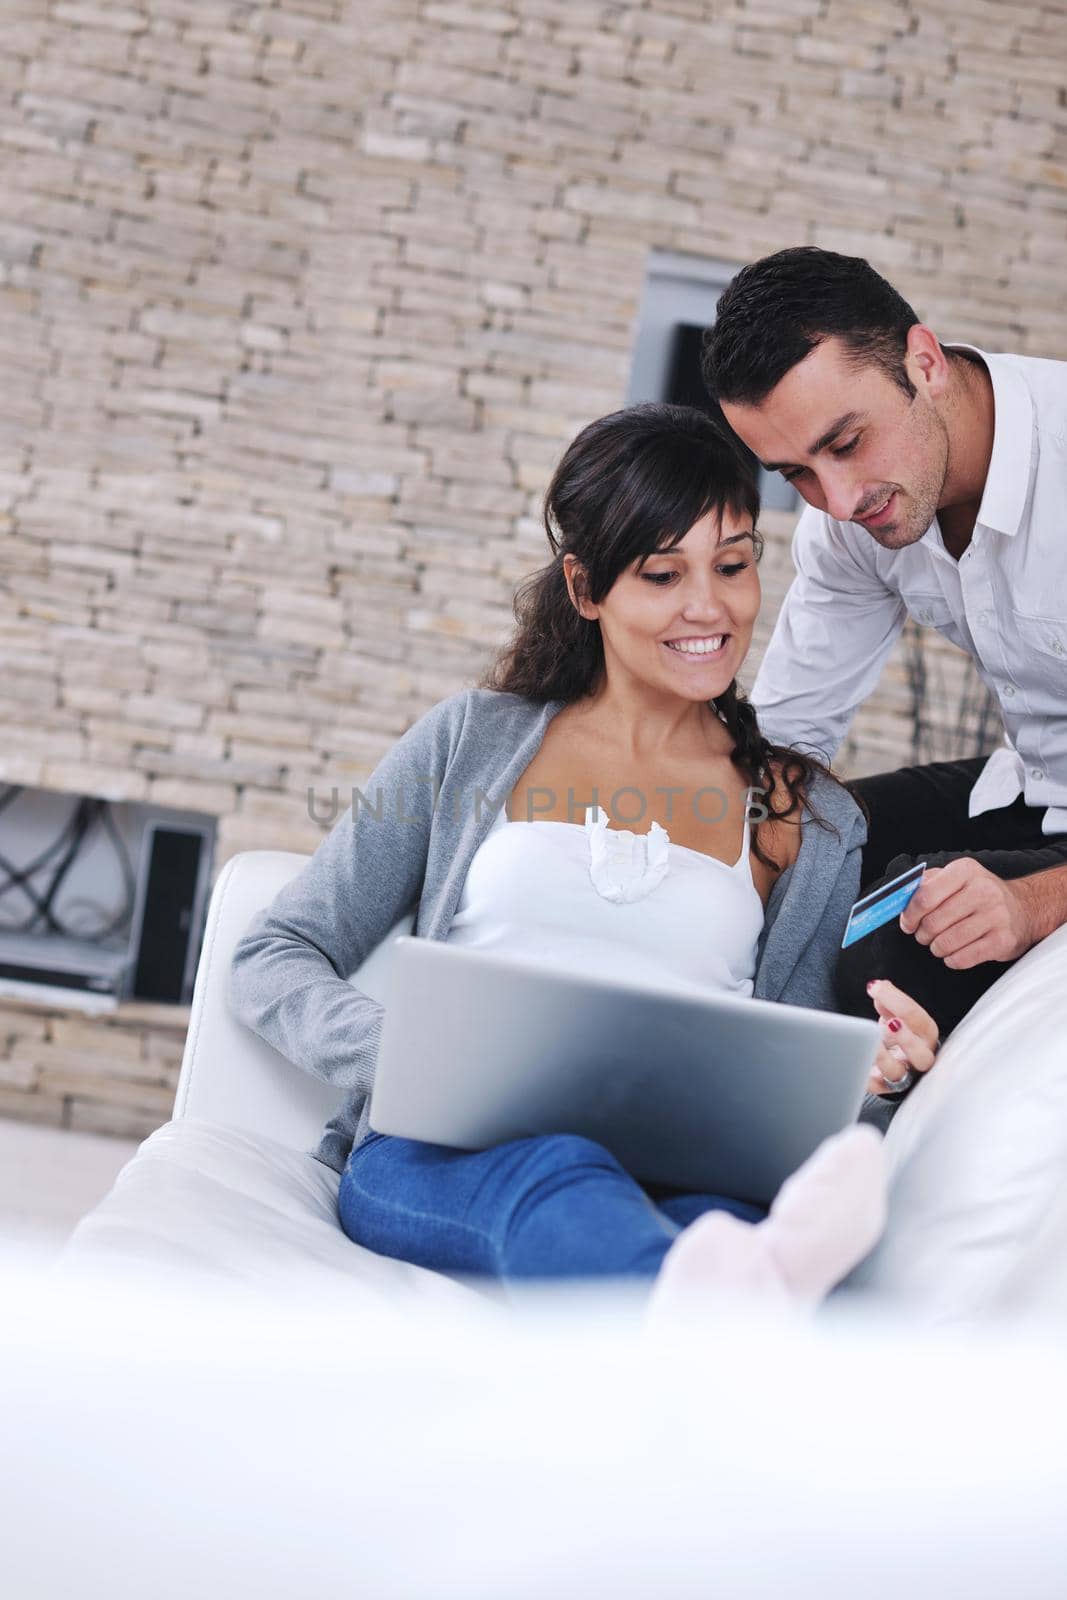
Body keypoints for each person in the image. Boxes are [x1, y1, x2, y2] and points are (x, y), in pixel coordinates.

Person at [228, 404, 935, 1311]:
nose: (708, 607)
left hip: (685, 1176)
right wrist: (405, 1053)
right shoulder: (469, 745)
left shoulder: (807, 815)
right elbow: (275, 953)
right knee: (561, 1171)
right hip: (447, 1160)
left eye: (731, 565)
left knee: (720, 1216)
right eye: (660, 574)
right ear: (586, 586)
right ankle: (714, 1304)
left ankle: (717, 1294)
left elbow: (789, 1069)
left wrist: (873, 1079)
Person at [702, 246, 1067, 1044]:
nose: (835, 499)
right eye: (793, 472)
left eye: (845, 442)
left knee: (884, 955)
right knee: (804, 849)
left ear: (924, 362)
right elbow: (785, 743)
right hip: (1034, 786)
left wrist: (1033, 903)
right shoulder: (852, 520)